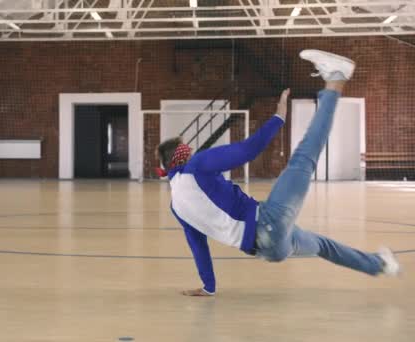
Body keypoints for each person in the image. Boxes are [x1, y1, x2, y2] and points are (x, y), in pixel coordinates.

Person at [156, 49, 400, 297]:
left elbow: (198, 246)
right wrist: (278, 117)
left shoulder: (176, 205)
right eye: (188, 148)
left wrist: (209, 287)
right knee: (303, 157)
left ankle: (381, 265)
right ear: (183, 154)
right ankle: (336, 78)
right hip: (268, 223)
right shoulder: (196, 165)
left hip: (269, 250)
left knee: (324, 246)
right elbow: (248, 150)